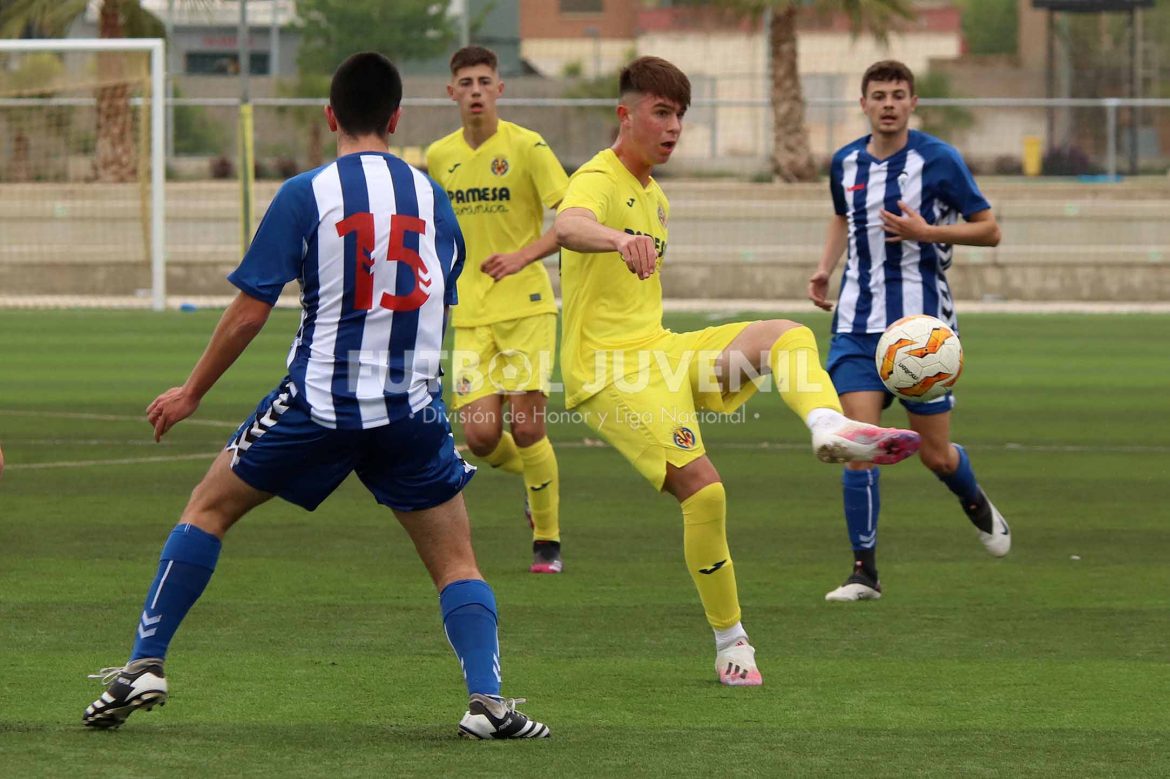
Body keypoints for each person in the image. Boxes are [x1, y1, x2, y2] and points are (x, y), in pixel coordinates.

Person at [82, 52, 549, 740]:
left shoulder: (307, 193)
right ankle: (489, 701)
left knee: (207, 508)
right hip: (409, 411)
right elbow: (440, 299)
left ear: (330, 116)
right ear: (396, 119)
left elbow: (249, 312)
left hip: (317, 407)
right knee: (457, 561)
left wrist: (190, 392)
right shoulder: (431, 197)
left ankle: (145, 663)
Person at [554, 56, 922, 686]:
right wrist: (615, 239)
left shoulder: (656, 196)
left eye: (680, 116)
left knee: (786, 335)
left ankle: (829, 426)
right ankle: (732, 644)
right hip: (608, 374)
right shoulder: (599, 176)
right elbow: (568, 223)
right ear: (626, 114)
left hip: (661, 354)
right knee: (706, 491)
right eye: (660, 113)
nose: (673, 127)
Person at [808, 59, 1010, 603]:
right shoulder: (845, 161)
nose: (889, 103)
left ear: (912, 102)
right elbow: (841, 216)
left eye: (899, 94)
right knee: (858, 444)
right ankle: (863, 574)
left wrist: (928, 231)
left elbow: (989, 230)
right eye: (879, 94)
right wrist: (826, 267)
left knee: (935, 455)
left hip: (922, 333)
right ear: (864, 103)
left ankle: (975, 502)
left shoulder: (939, 159)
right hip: (854, 323)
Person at [426, 46, 568, 575]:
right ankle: (538, 482)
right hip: (470, 312)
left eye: (485, 81)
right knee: (483, 438)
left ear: (500, 89)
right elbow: (439, 230)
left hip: (527, 306)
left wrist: (522, 255)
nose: (476, 90)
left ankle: (547, 541)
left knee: (529, 428)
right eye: (466, 82)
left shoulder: (528, 147)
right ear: (452, 92)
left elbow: (570, 215)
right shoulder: (440, 156)